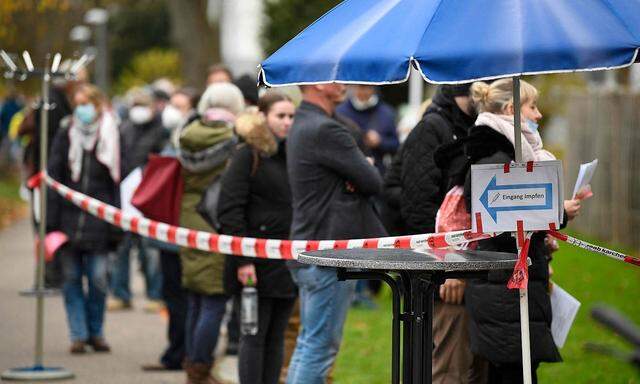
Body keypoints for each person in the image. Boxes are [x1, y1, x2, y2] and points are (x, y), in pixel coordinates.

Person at [460, 79, 581, 383]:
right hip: (504, 288)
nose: (539, 115)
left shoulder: (508, 150)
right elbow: (500, 219)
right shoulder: (497, 155)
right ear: (513, 110)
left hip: (509, 283)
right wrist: (557, 213)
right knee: (514, 372)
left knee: (517, 370)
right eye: (532, 106)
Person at [286, 83, 387, 384]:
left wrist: (354, 174)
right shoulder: (325, 130)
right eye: (336, 77)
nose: (344, 84)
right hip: (327, 254)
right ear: (317, 84)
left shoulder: (303, 123)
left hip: (309, 247)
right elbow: (372, 180)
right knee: (319, 347)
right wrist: (361, 168)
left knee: (308, 343)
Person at [218, 92, 297, 384]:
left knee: (276, 336)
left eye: (291, 116)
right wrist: (242, 260)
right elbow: (229, 210)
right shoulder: (247, 154)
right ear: (262, 116)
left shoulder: (292, 154)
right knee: (253, 335)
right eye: (280, 116)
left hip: (285, 260)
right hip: (253, 263)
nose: (287, 122)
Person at [46, 84, 121, 354]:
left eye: (87, 103)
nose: (83, 109)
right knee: (71, 279)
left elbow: (116, 182)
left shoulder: (111, 134)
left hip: (100, 221)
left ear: (98, 104)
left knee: (99, 279)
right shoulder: (66, 133)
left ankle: (96, 332)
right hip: (68, 221)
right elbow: (53, 177)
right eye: (78, 104)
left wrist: (116, 224)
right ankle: (78, 334)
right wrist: (51, 222)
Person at [178, 82, 243, 384]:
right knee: (214, 298)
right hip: (215, 220)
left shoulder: (187, 134)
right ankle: (200, 367)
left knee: (194, 296)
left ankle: (192, 360)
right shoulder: (234, 138)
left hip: (188, 216)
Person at [141, 87, 199, 372]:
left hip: (181, 230)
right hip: (170, 229)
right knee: (174, 295)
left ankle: (180, 354)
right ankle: (179, 351)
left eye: (179, 105)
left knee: (181, 297)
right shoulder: (168, 137)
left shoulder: (191, 142)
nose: (171, 111)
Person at [108, 88, 166, 312]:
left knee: (149, 251)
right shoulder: (124, 128)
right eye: (136, 106)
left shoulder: (161, 131)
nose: (139, 111)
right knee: (121, 249)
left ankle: (155, 295)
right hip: (125, 197)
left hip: (148, 197)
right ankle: (120, 293)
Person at [336, 85, 399, 174]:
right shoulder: (341, 112)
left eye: (368, 87)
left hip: (378, 172)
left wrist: (380, 142)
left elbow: (396, 145)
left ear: (374, 88)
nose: (364, 91)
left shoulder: (386, 112)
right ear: (354, 88)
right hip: (348, 172)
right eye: (361, 87)